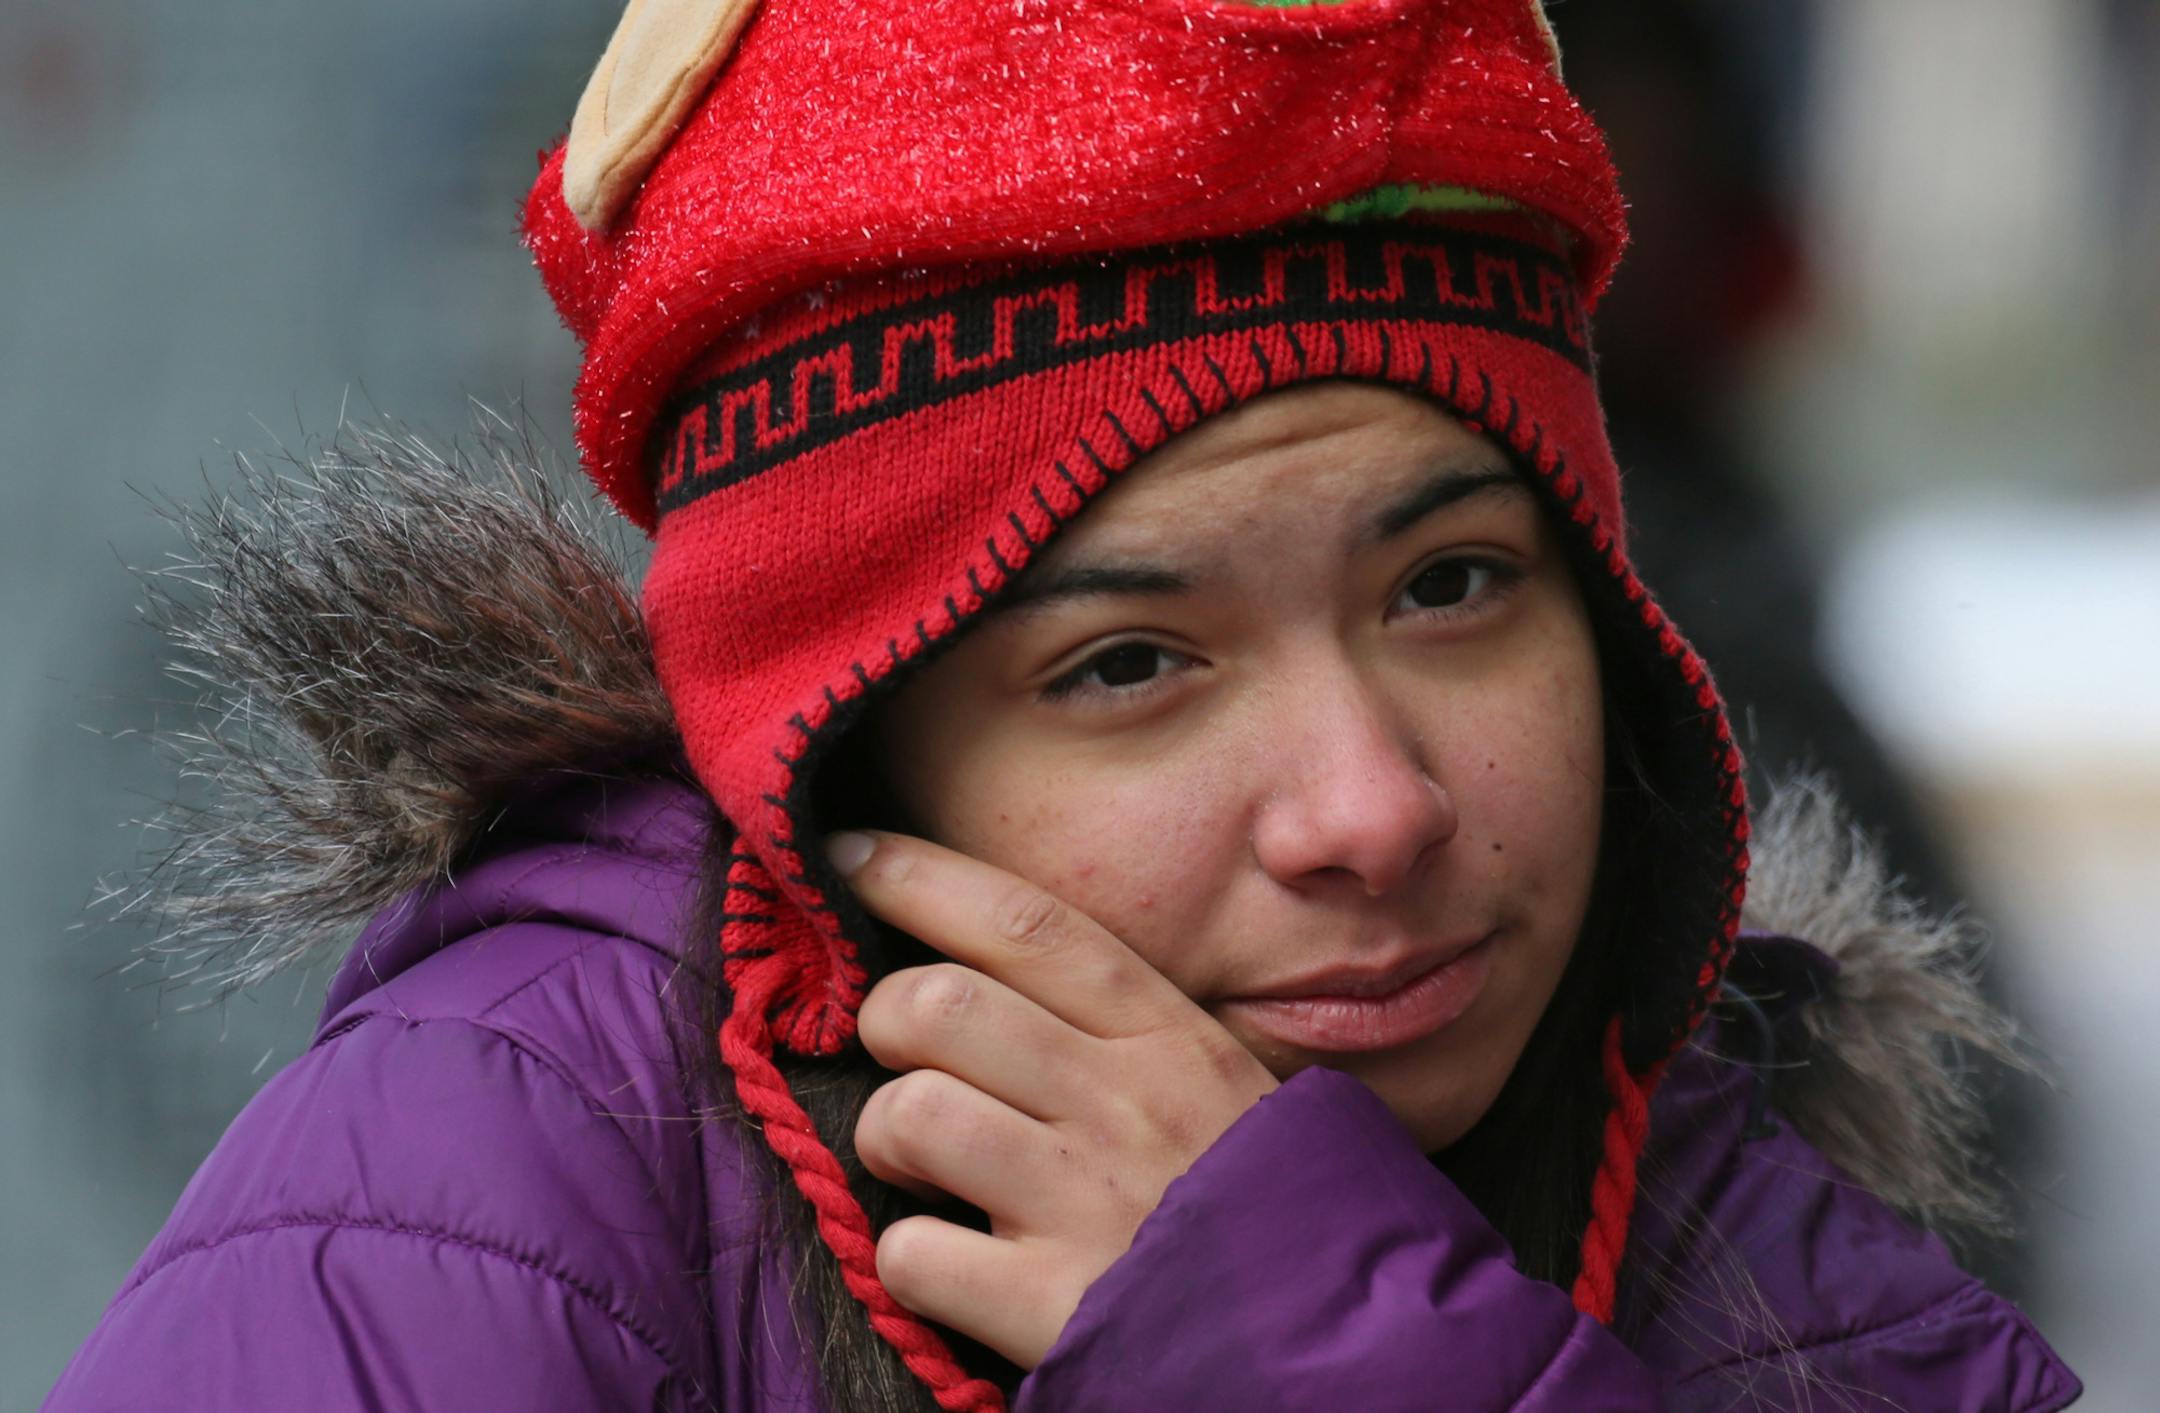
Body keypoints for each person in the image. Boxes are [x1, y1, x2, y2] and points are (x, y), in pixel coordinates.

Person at [50, 0, 2080, 1409]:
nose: (1370, 807)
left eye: (1452, 584)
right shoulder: (493, 1190)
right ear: (839, 747)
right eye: (1129, 663)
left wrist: (1336, 1344)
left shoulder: (1726, 1204)